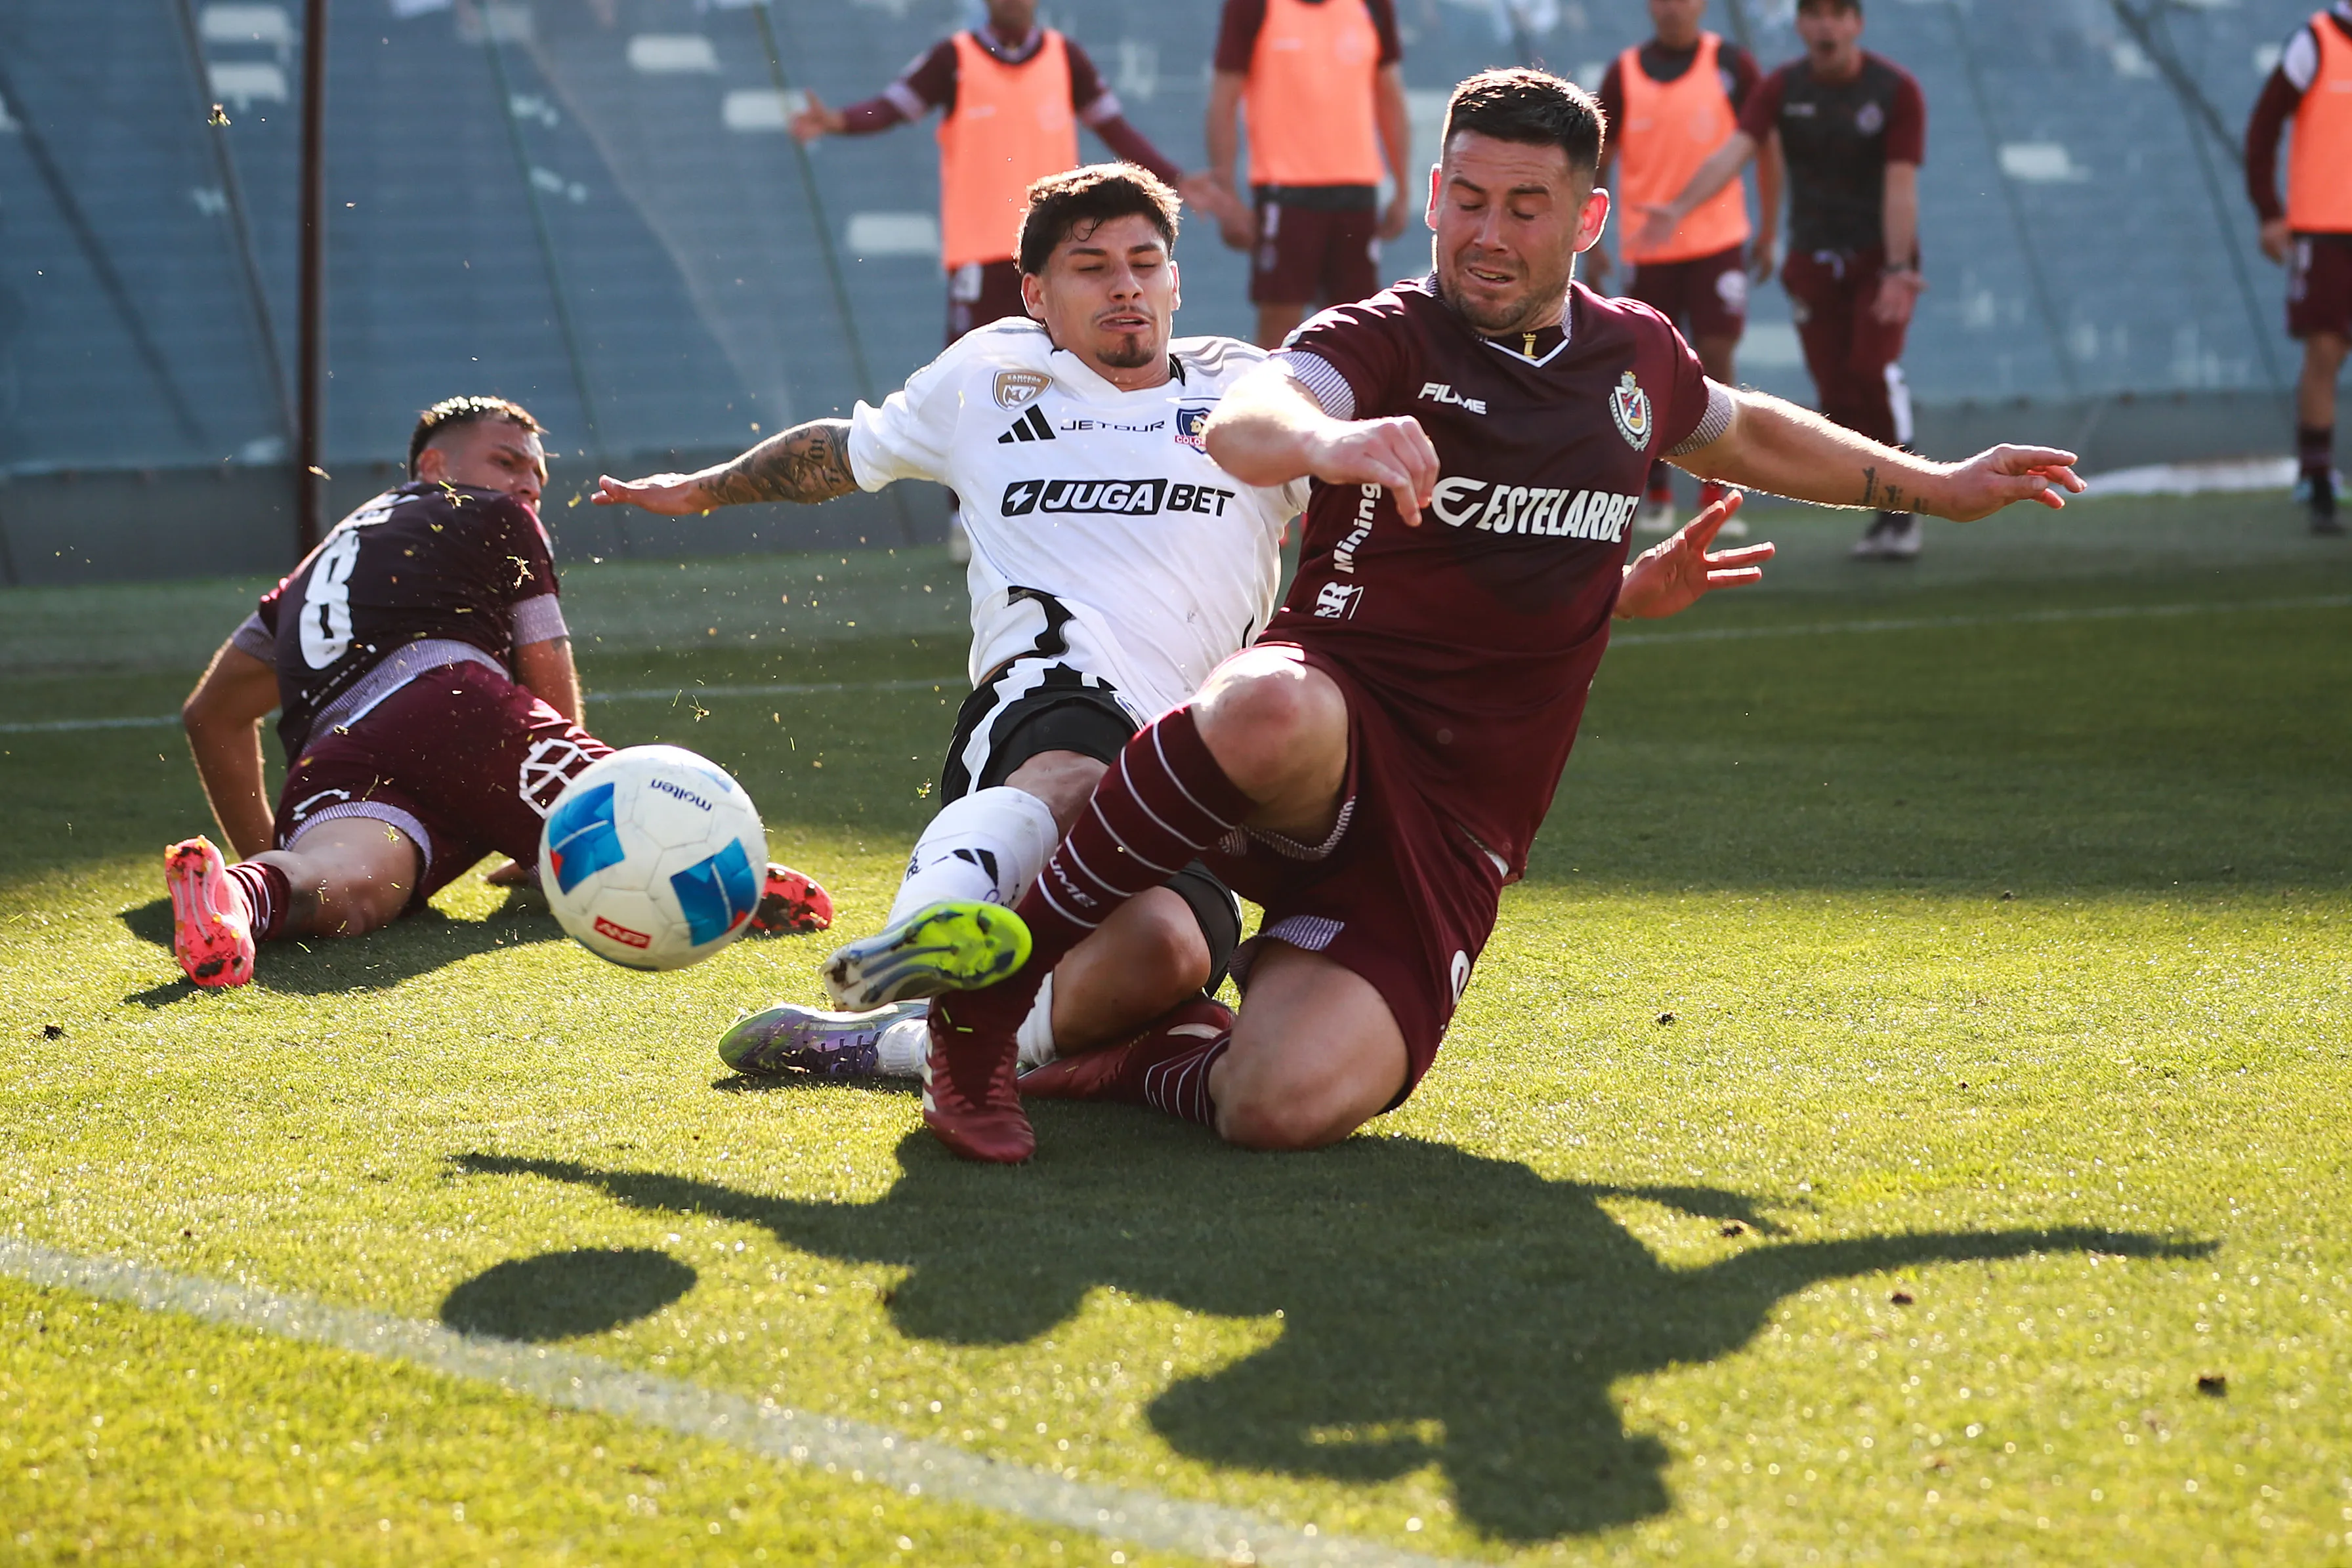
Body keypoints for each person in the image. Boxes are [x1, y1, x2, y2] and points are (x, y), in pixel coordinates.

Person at [885, 68, 2080, 1165]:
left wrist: (1934, 486)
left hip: (1453, 831)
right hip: (1322, 746)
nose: (1486, 234)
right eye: (1464, 200)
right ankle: (981, 1017)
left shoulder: (1632, 359)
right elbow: (1249, 421)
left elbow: (1744, 428)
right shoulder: (1380, 337)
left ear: (1588, 220)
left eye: (1522, 206)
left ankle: (1146, 1054)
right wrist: (1332, 440)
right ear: (1430, 198)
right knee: (1262, 705)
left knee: (1276, 1105)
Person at [594, 165, 1307, 1086]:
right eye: (1092, 267)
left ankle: (896, 1040)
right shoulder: (989, 375)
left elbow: (1360, 491)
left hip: (1196, 747)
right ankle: (920, 933)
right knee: (1075, 773)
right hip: (1049, 692)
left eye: (1144, 263)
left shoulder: (1247, 390)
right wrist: (703, 490)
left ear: (1175, 281)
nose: (1125, 285)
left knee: (1162, 955)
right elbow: (841, 453)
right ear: (1036, 294)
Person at [165, 396, 832, 989]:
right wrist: (543, 830)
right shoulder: (494, 512)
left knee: (353, 889)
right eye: (507, 461)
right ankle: (735, 889)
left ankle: (241, 895)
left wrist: (265, 846)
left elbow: (210, 716)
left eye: (537, 475)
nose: (527, 485)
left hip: (334, 755)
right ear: (433, 465)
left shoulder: (310, 572)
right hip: (450, 703)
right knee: (626, 804)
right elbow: (547, 670)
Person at [1635, 0, 1927, 560]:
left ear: (1857, 24)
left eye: (1838, 14)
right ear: (1800, 25)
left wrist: (1898, 269)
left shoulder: (1895, 90)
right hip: (1812, 259)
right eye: (1814, 14)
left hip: (1877, 261)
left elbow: (1900, 185)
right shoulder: (1783, 87)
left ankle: (1907, 507)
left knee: (1871, 370)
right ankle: (1882, 514)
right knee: (1836, 394)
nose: (1826, 25)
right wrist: (1677, 208)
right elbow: (1733, 154)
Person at [1589, 0, 1778, 539]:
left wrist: (1768, 229)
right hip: (1649, 248)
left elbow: (1765, 146)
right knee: (1647, 369)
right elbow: (1600, 160)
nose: (1673, 8)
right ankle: (1656, 491)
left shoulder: (1732, 64)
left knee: (1716, 359)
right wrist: (1592, 238)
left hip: (1718, 242)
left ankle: (1715, 494)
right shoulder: (1624, 73)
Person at [1204, 0, 1414, 348]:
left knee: (1357, 330)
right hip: (1285, 195)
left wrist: (1403, 188)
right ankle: (1272, 389)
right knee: (1279, 327)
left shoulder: (1374, 6)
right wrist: (1226, 196)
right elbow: (1224, 99)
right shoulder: (1251, 6)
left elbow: (1389, 96)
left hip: (1357, 192)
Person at [2244, 1, 2352, 535]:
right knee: (2325, 351)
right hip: (2324, 229)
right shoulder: (2316, 41)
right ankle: (2318, 483)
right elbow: (2263, 128)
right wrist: (2270, 212)